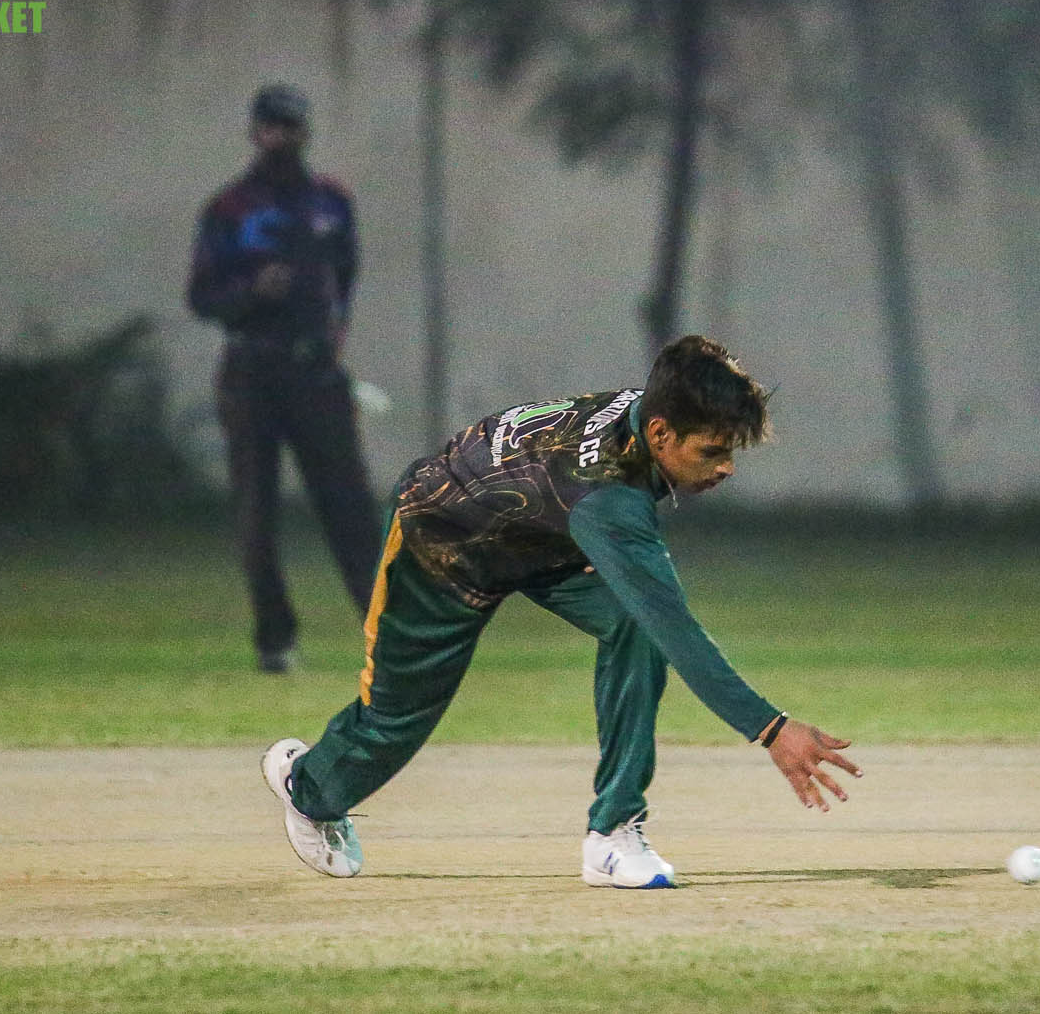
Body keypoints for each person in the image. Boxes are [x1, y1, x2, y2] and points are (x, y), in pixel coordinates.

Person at [261, 335, 862, 888]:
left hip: (540, 535)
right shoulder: (610, 498)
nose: (725, 467)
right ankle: (307, 787)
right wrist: (771, 729)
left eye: (731, 452)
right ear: (660, 434)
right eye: (712, 451)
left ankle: (613, 832)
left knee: (635, 625)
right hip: (442, 541)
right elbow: (678, 628)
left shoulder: (652, 415)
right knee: (394, 724)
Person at [186, 84, 383, 674]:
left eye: (291, 127)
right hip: (253, 368)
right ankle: (275, 639)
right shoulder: (231, 209)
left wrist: (333, 337)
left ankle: (388, 632)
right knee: (257, 511)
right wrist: (251, 292)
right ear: (256, 132)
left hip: (316, 372)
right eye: (272, 127)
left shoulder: (330, 203)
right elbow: (202, 295)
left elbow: (345, 279)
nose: (282, 138)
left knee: (349, 505)